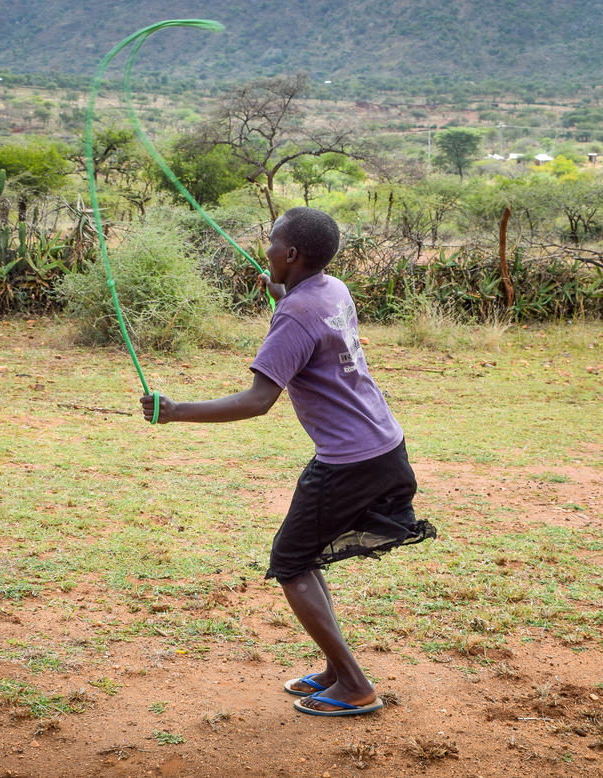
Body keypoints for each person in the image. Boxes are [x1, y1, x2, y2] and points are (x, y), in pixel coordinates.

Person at [140, 207, 435, 717]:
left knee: (292, 562)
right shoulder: (330, 289)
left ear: (292, 254)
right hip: (383, 442)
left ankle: (355, 685)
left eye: (272, 243)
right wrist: (281, 293)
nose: (267, 250)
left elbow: (258, 400)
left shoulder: (295, 314)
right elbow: (311, 322)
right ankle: (335, 669)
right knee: (306, 555)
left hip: (349, 460)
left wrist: (176, 412)